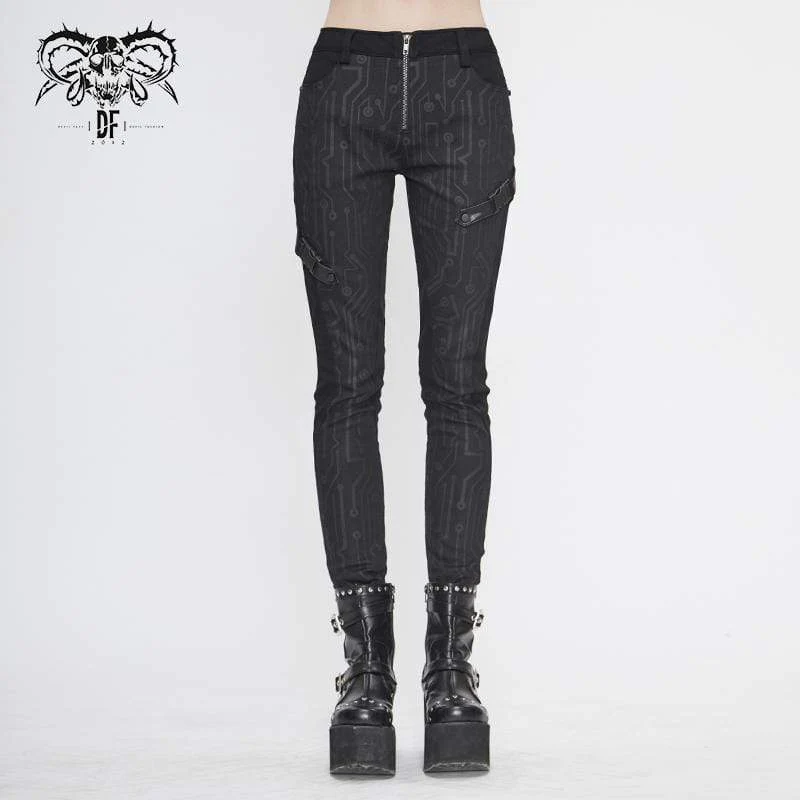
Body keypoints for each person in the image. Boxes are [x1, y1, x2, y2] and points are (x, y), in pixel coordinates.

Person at [292, 0, 515, 775]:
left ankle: (450, 664)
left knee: (456, 383)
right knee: (347, 385)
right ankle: (367, 669)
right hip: (343, 85)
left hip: (464, 86)